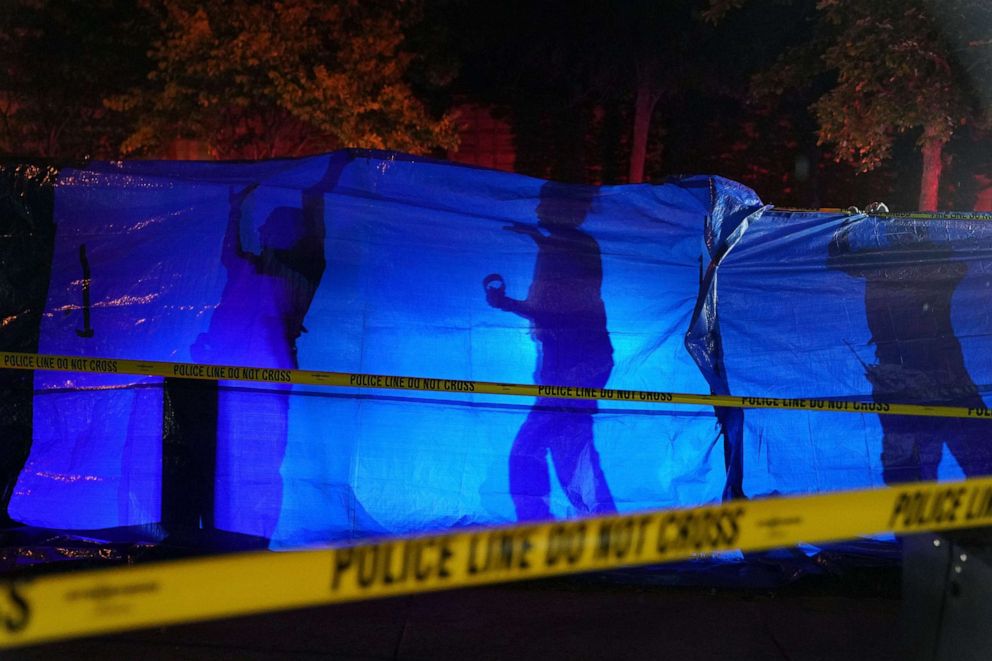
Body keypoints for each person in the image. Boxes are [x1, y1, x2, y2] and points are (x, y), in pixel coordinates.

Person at [484, 181, 616, 520]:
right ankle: (604, 530)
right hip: (576, 363)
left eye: (544, 202)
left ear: (563, 208)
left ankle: (540, 529)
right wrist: (539, 240)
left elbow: (558, 310)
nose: (537, 208)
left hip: (575, 366)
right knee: (569, 450)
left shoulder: (568, 246)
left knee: (530, 451)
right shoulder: (569, 244)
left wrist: (506, 304)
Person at [828, 220, 992, 483]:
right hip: (921, 377)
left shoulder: (888, 266)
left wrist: (856, 227)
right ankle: (916, 517)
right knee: (914, 462)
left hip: (925, 377)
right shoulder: (905, 266)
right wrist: (856, 226)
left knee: (922, 460)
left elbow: (839, 258)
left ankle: (922, 516)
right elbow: (838, 258)